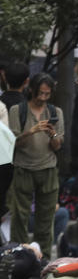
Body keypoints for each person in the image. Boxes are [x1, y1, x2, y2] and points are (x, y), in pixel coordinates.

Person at [8, 73, 64, 257]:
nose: (43, 97)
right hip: (23, 168)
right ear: (31, 89)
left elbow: (57, 146)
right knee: (19, 217)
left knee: (46, 218)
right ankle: (20, 256)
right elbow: (14, 143)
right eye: (40, 93)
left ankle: (44, 258)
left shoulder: (55, 112)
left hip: (48, 168)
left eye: (47, 94)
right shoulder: (18, 110)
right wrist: (31, 131)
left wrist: (52, 134)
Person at [0, 61, 29, 218]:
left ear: (4, 77)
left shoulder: (1, 101)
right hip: (20, 163)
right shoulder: (28, 107)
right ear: (27, 81)